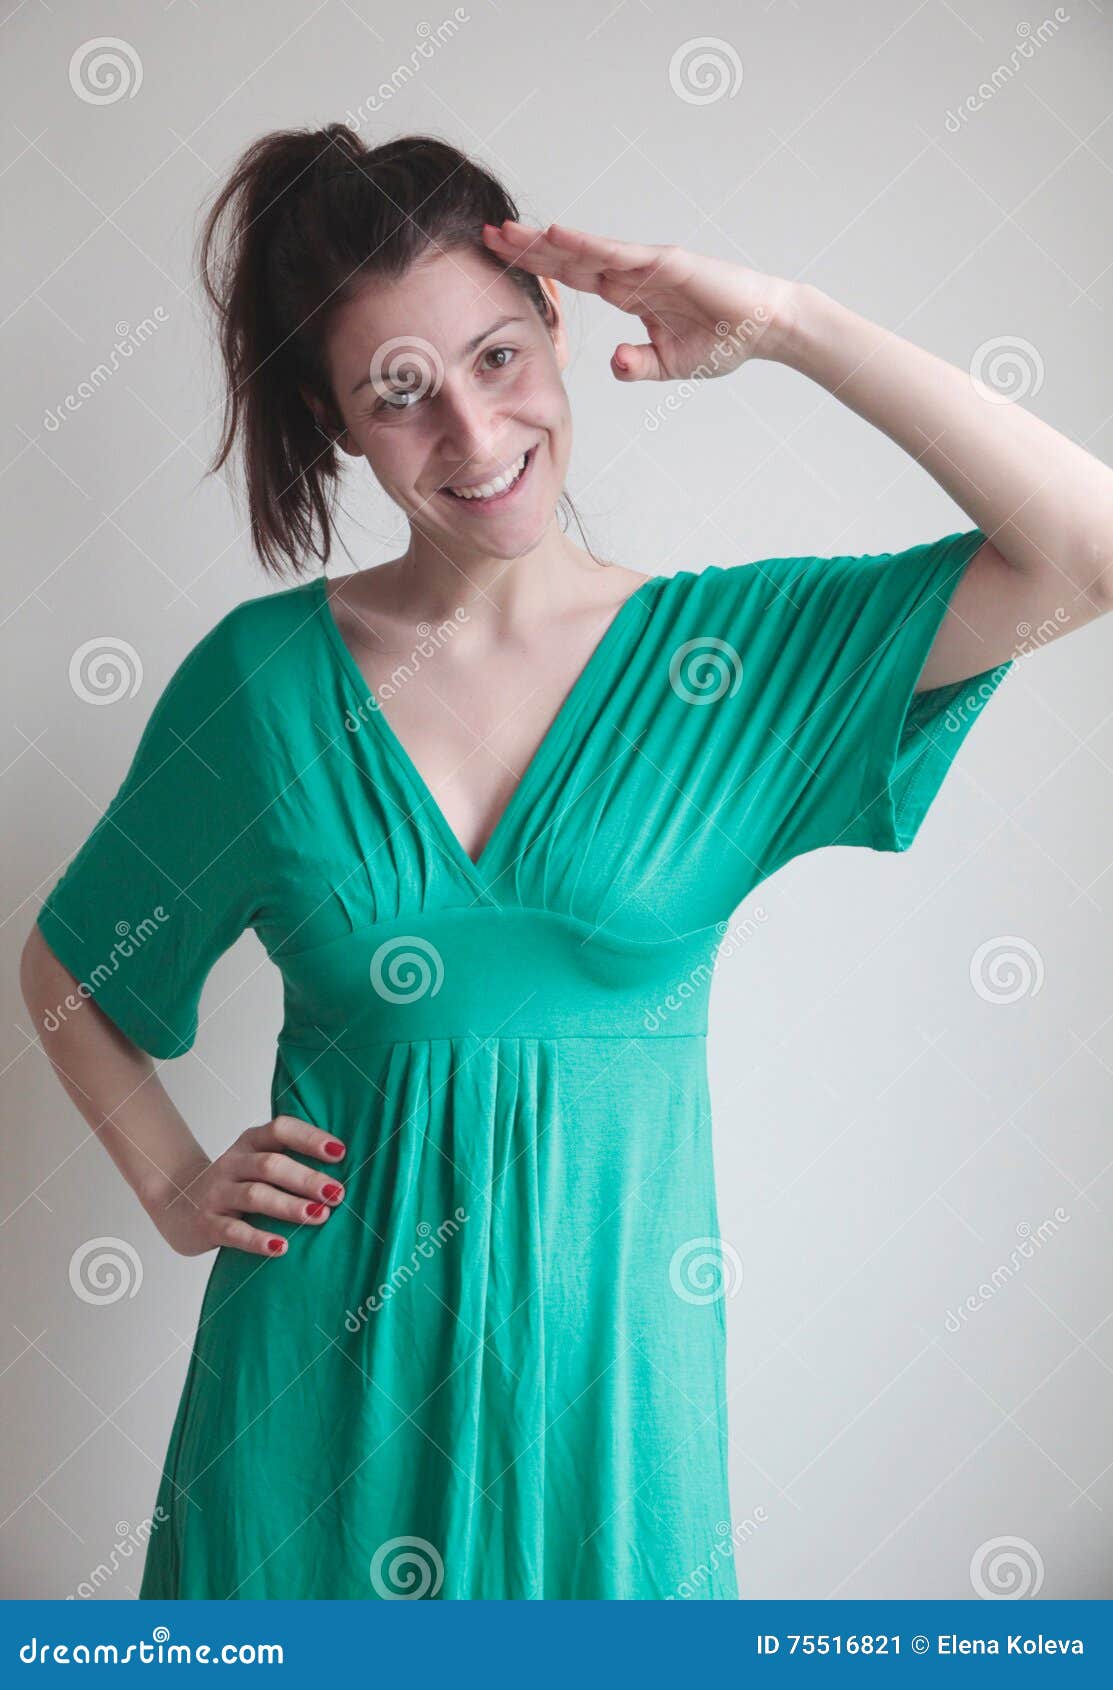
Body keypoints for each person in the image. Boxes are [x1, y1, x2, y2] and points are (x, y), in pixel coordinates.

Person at [20, 124, 1111, 1601]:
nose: (470, 434)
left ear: (555, 324)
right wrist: (167, 1183)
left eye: (493, 358)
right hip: (304, 1431)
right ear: (336, 421)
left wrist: (787, 324)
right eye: (396, 393)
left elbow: (1085, 553)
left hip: (611, 1430)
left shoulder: (729, 661)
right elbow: (74, 963)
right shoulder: (263, 685)